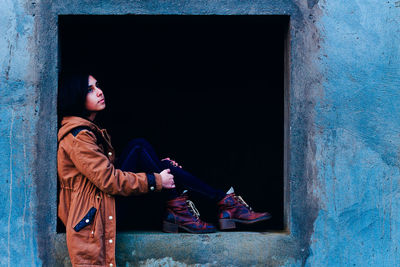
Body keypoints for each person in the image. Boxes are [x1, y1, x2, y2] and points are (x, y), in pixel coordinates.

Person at [57, 73, 271, 267]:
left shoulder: (86, 132)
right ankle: (219, 204)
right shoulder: (79, 137)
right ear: (76, 97)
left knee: (159, 162)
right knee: (141, 148)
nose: (99, 91)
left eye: (97, 86)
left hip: (102, 207)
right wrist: (156, 179)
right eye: (90, 89)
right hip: (95, 217)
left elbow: (103, 174)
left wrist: (158, 170)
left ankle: (211, 205)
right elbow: (108, 180)